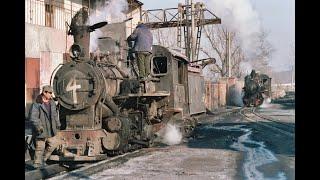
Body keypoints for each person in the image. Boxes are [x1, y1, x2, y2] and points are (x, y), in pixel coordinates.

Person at [29, 85, 61, 168]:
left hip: (50, 129)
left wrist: (58, 124)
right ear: (44, 92)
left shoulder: (52, 102)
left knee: (54, 143)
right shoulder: (37, 103)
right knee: (40, 147)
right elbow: (33, 117)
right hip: (41, 130)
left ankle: (43, 159)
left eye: (51, 93)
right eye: (50, 93)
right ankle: (37, 164)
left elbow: (54, 115)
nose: (51, 94)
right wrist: (39, 127)